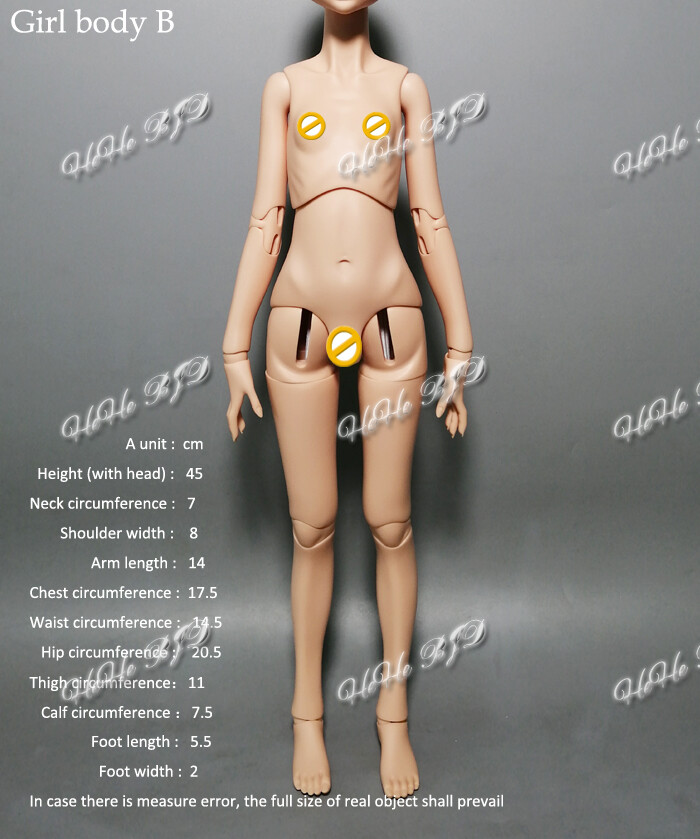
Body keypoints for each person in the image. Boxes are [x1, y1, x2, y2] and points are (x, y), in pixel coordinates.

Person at [222, 0, 473, 798]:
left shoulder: (403, 88)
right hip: (296, 320)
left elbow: (428, 218)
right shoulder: (285, 89)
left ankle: (392, 712)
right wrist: (233, 343)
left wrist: (461, 343)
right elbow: (267, 218)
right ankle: (308, 712)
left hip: (392, 318)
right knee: (313, 524)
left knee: (391, 521)